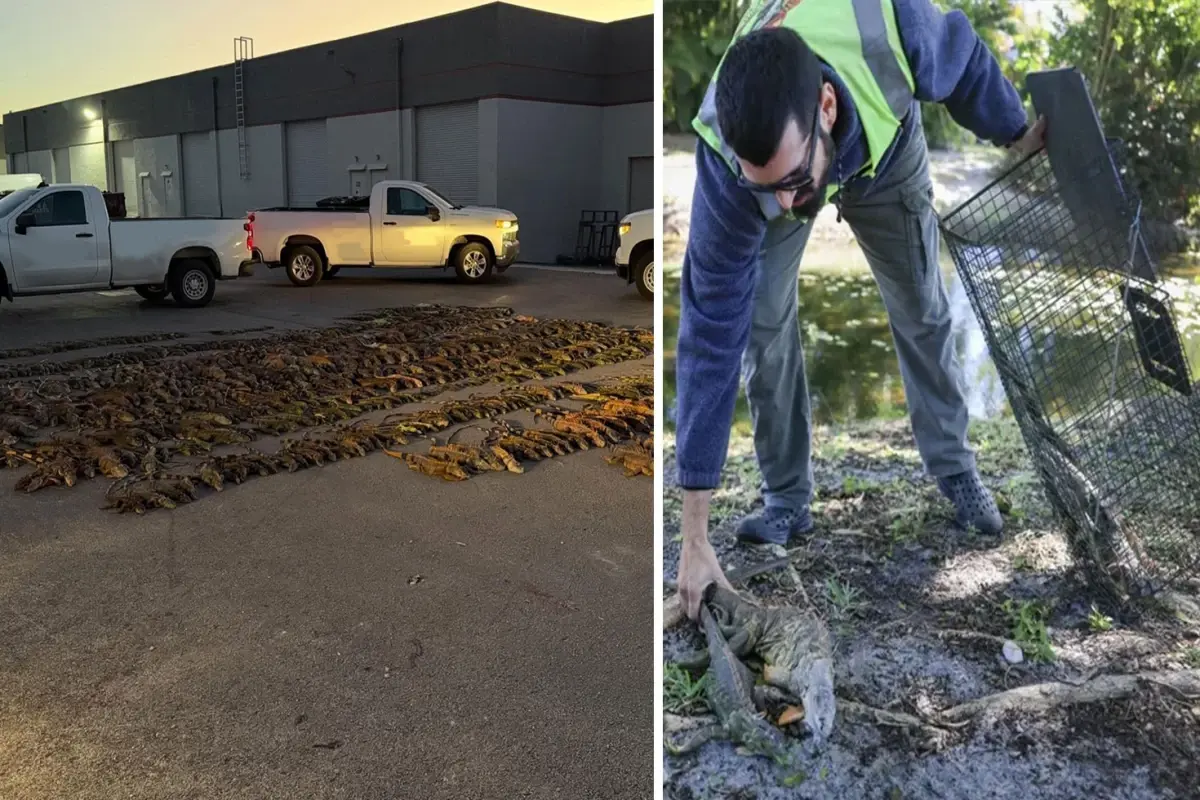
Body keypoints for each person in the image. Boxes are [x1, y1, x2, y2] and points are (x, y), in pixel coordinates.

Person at [674, 0, 1047, 620]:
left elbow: (967, 62)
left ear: (824, 105)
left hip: (887, 152)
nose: (788, 206)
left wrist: (1014, 129)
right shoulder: (727, 157)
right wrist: (693, 537)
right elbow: (710, 334)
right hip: (791, 158)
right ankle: (786, 500)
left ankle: (954, 469)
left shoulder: (894, 22)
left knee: (921, 305)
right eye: (764, 186)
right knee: (760, 326)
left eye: (791, 181)